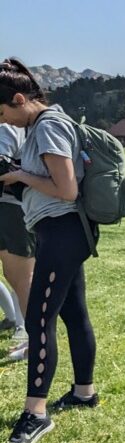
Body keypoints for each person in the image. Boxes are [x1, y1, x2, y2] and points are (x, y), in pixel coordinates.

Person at [0, 59, 99, 443]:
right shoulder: (44, 125)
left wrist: (21, 175)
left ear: (20, 99)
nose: (3, 120)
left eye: (3, 112)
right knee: (74, 313)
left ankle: (36, 413)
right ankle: (84, 392)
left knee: (39, 319)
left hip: (62, 231)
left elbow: (66, 189)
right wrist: (17, 178)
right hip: (61, 231)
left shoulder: (48, 126)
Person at [0, 120, 34, 362]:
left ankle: (34, 340)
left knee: (21, 279)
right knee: (18, 278)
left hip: (10, 210)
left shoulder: (5, 127)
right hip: (12, 209)